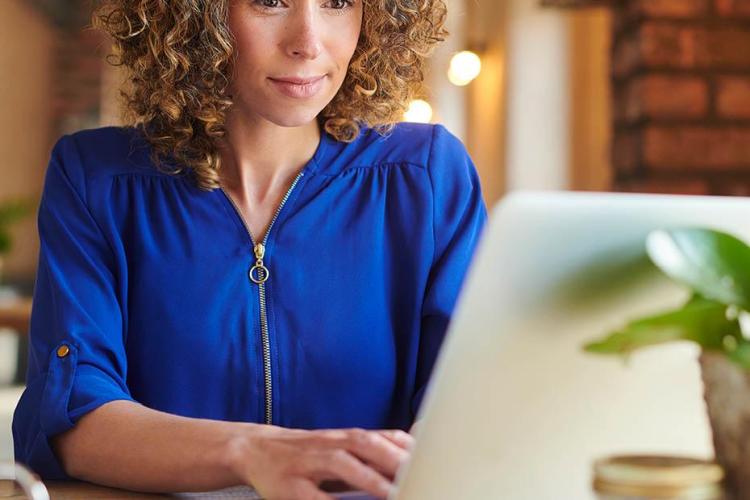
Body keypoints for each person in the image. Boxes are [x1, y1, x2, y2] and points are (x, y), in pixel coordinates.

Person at [12, 0, 487, 498]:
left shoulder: (426, 176)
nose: (308, 42)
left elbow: (476, 407)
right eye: (269, 2)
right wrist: (251, 452)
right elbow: (72, 421)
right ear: (194, 17)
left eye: (338, 3)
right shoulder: (96, 178)